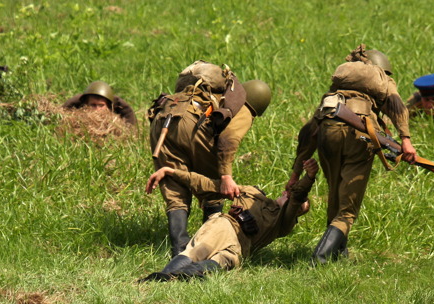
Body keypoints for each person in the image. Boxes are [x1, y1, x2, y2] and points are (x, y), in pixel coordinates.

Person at [288, 44, 417, 265]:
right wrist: (406, 140)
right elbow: (396, 105)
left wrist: (295, 172)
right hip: (359, 137)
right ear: (380, 71)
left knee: (336, 192)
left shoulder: (336, 91)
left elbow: (309, 131)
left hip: (328, 132)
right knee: (348, 209)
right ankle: (319, 259)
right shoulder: (382, 81)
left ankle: (339, 251)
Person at [147, 61, 272, 257]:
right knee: (213, 188)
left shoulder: (208, 95)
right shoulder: (244, 108)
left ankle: (179, 247)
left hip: (163, 116)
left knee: (174, 186)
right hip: (192, 121)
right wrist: (225, 176)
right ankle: (207, 244)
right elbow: (228, 139)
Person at [138, 158, 319, 282]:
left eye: (300, 206)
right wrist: (172, 171)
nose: (295, 201)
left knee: (222, 261)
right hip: (225, 226)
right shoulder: (252, 193)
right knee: (196, 252)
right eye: (295, 197)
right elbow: (208, 184)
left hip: (240, 247)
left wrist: (309, 178)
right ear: (284, 192)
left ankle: (184, 275)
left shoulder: (283, 225)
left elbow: (297, 197)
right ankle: (164, 276)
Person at [63, 81, 137, 126]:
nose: (97, 109)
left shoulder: (124, 110)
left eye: (101, 105)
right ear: (85, 105)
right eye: (93, 105)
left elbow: (131, 130)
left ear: (108, 106)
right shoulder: (74, 105)